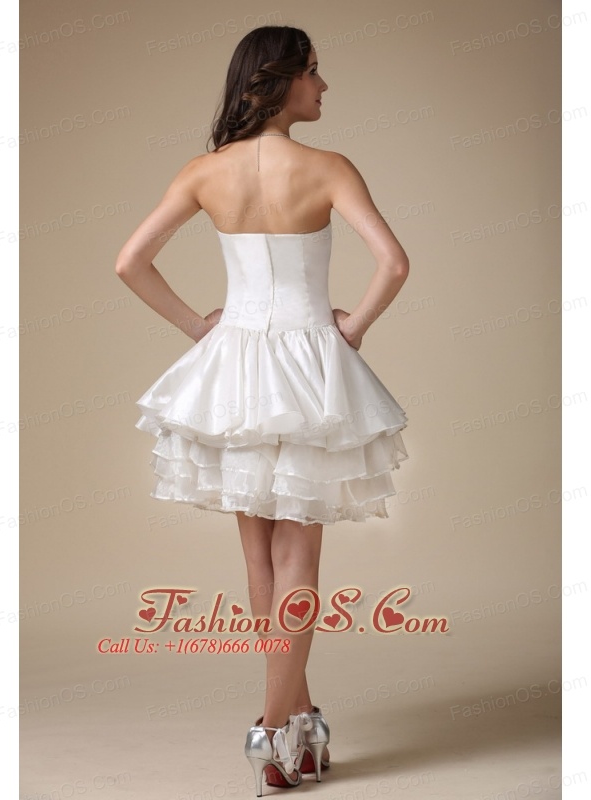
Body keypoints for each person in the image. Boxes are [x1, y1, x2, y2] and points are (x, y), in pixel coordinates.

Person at [115, 25, 410, 796]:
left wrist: (199, 328)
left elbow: (130, 262)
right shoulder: (329, 167)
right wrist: (352, 329)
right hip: (311, 370)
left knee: (259, 560)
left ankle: (300, 723)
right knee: (298, 559)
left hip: (235, 370)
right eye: (313, 71)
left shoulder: (204, 172)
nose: (323, 85)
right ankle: (271, 731)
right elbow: (393, 263)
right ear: (281, 81)